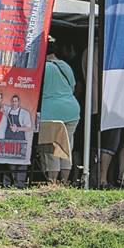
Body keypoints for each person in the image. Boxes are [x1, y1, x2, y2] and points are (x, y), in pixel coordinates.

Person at [40, 45, 81, 184]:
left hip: (50, 111)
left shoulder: (43, 68)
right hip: (71, 110)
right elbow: (73, 87)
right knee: (66, 146)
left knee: (51, 147)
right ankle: (64, 182)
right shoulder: (65, 66)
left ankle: (52, 182)